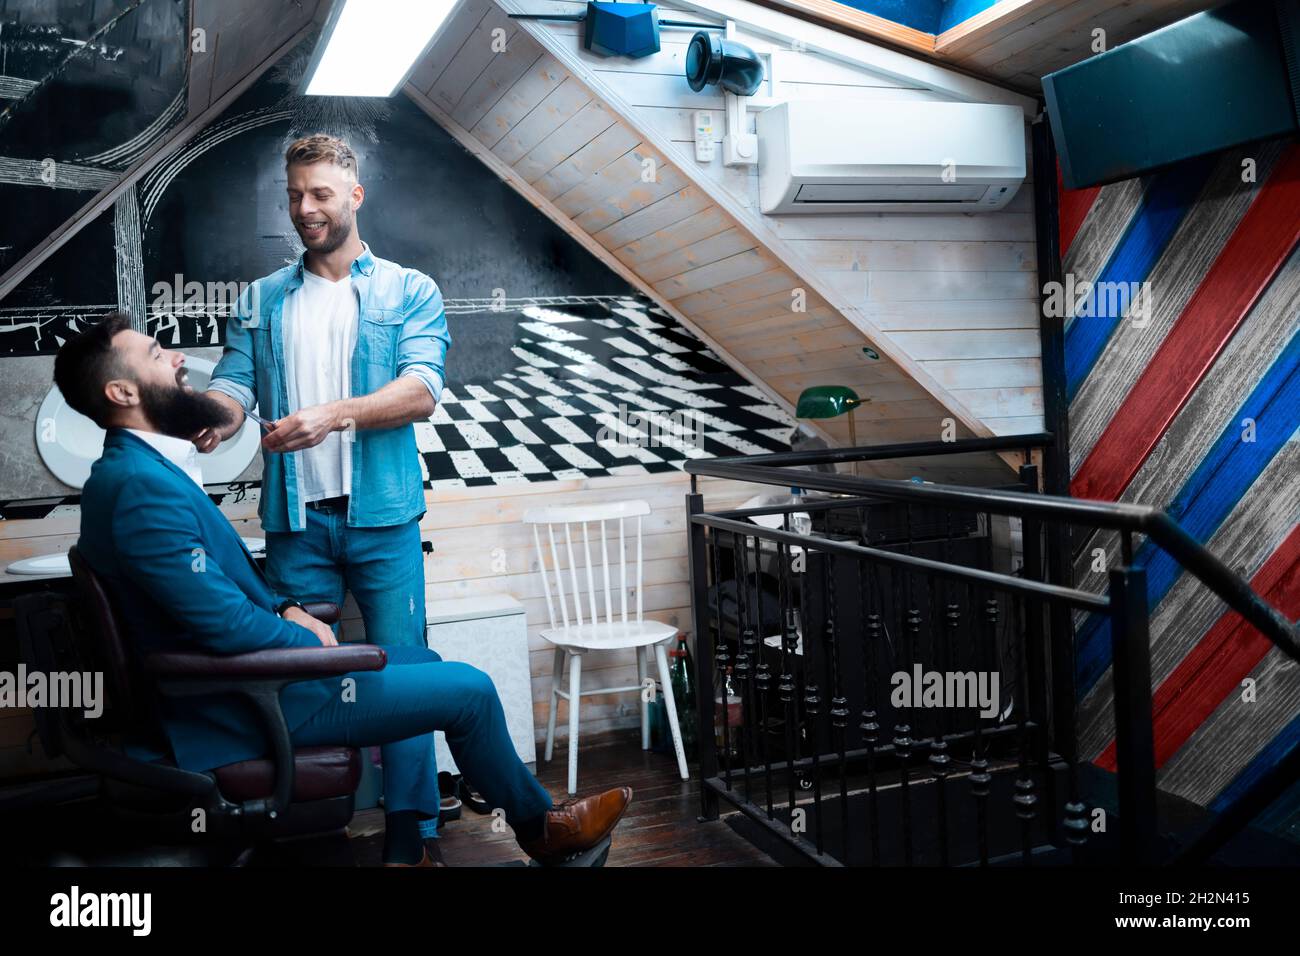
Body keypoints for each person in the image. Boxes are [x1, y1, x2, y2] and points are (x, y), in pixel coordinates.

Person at [56, 314, 632, 866]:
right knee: (470, 689)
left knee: (423, 657)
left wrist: (286, 607)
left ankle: (430, 839)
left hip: (248, 684)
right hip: (242, 704)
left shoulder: (138, 471)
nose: (179, 358)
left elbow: (213, 589)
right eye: (157, 355)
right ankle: (542, 830)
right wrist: (309, 644)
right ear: (122, 393)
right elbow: (223, 625)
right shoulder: (139, 488)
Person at [195, 133, 453, 841]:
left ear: (354, 196)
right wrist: (212, 419)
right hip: (294, 524)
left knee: (403, 680)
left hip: (386, 521)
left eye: (320, 195)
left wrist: (333, 415)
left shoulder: (410, 290)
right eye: (294, 196)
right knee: (300, 685)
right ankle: (314, 824)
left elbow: (422, 390)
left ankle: (413, 835)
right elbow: (232, 384)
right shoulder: (262, 298)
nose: (304, 208)